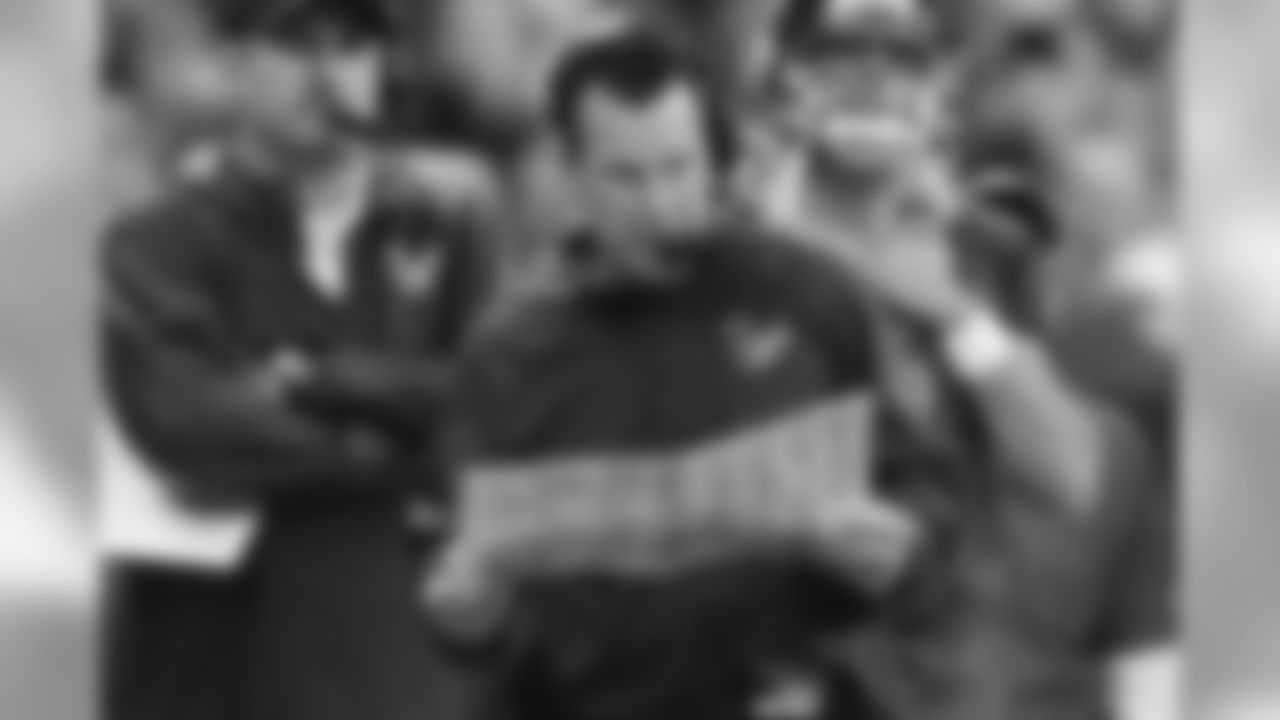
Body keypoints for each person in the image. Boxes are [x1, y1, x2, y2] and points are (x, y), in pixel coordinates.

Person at [427, 31, 956, 720]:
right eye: (627, 177)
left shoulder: (807, 294)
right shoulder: (508, 354)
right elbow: (466, 605)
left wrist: (906, 543)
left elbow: (920, 481)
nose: (661, 206)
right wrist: (467, 618)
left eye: (679, 168)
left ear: (717, 162)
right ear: (573, 175)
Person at [752, 2, 1163, 719]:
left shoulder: (982, 248)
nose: (873, 81)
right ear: (788, 75)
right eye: (844, 53)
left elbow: (1070, 476)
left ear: (941, 82)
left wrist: (953, 313)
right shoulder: (715, 248)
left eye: (901, 56)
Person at [102, 2, 491, 719]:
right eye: (296, 42)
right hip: (215, 679)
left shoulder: (449, 225)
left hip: (401, 676)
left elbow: (492, 409)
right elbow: (185, 421)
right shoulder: (153, 245)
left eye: (353, 43)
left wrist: (326, 381)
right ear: (233, 62)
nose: (329, 73)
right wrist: (399, 439)